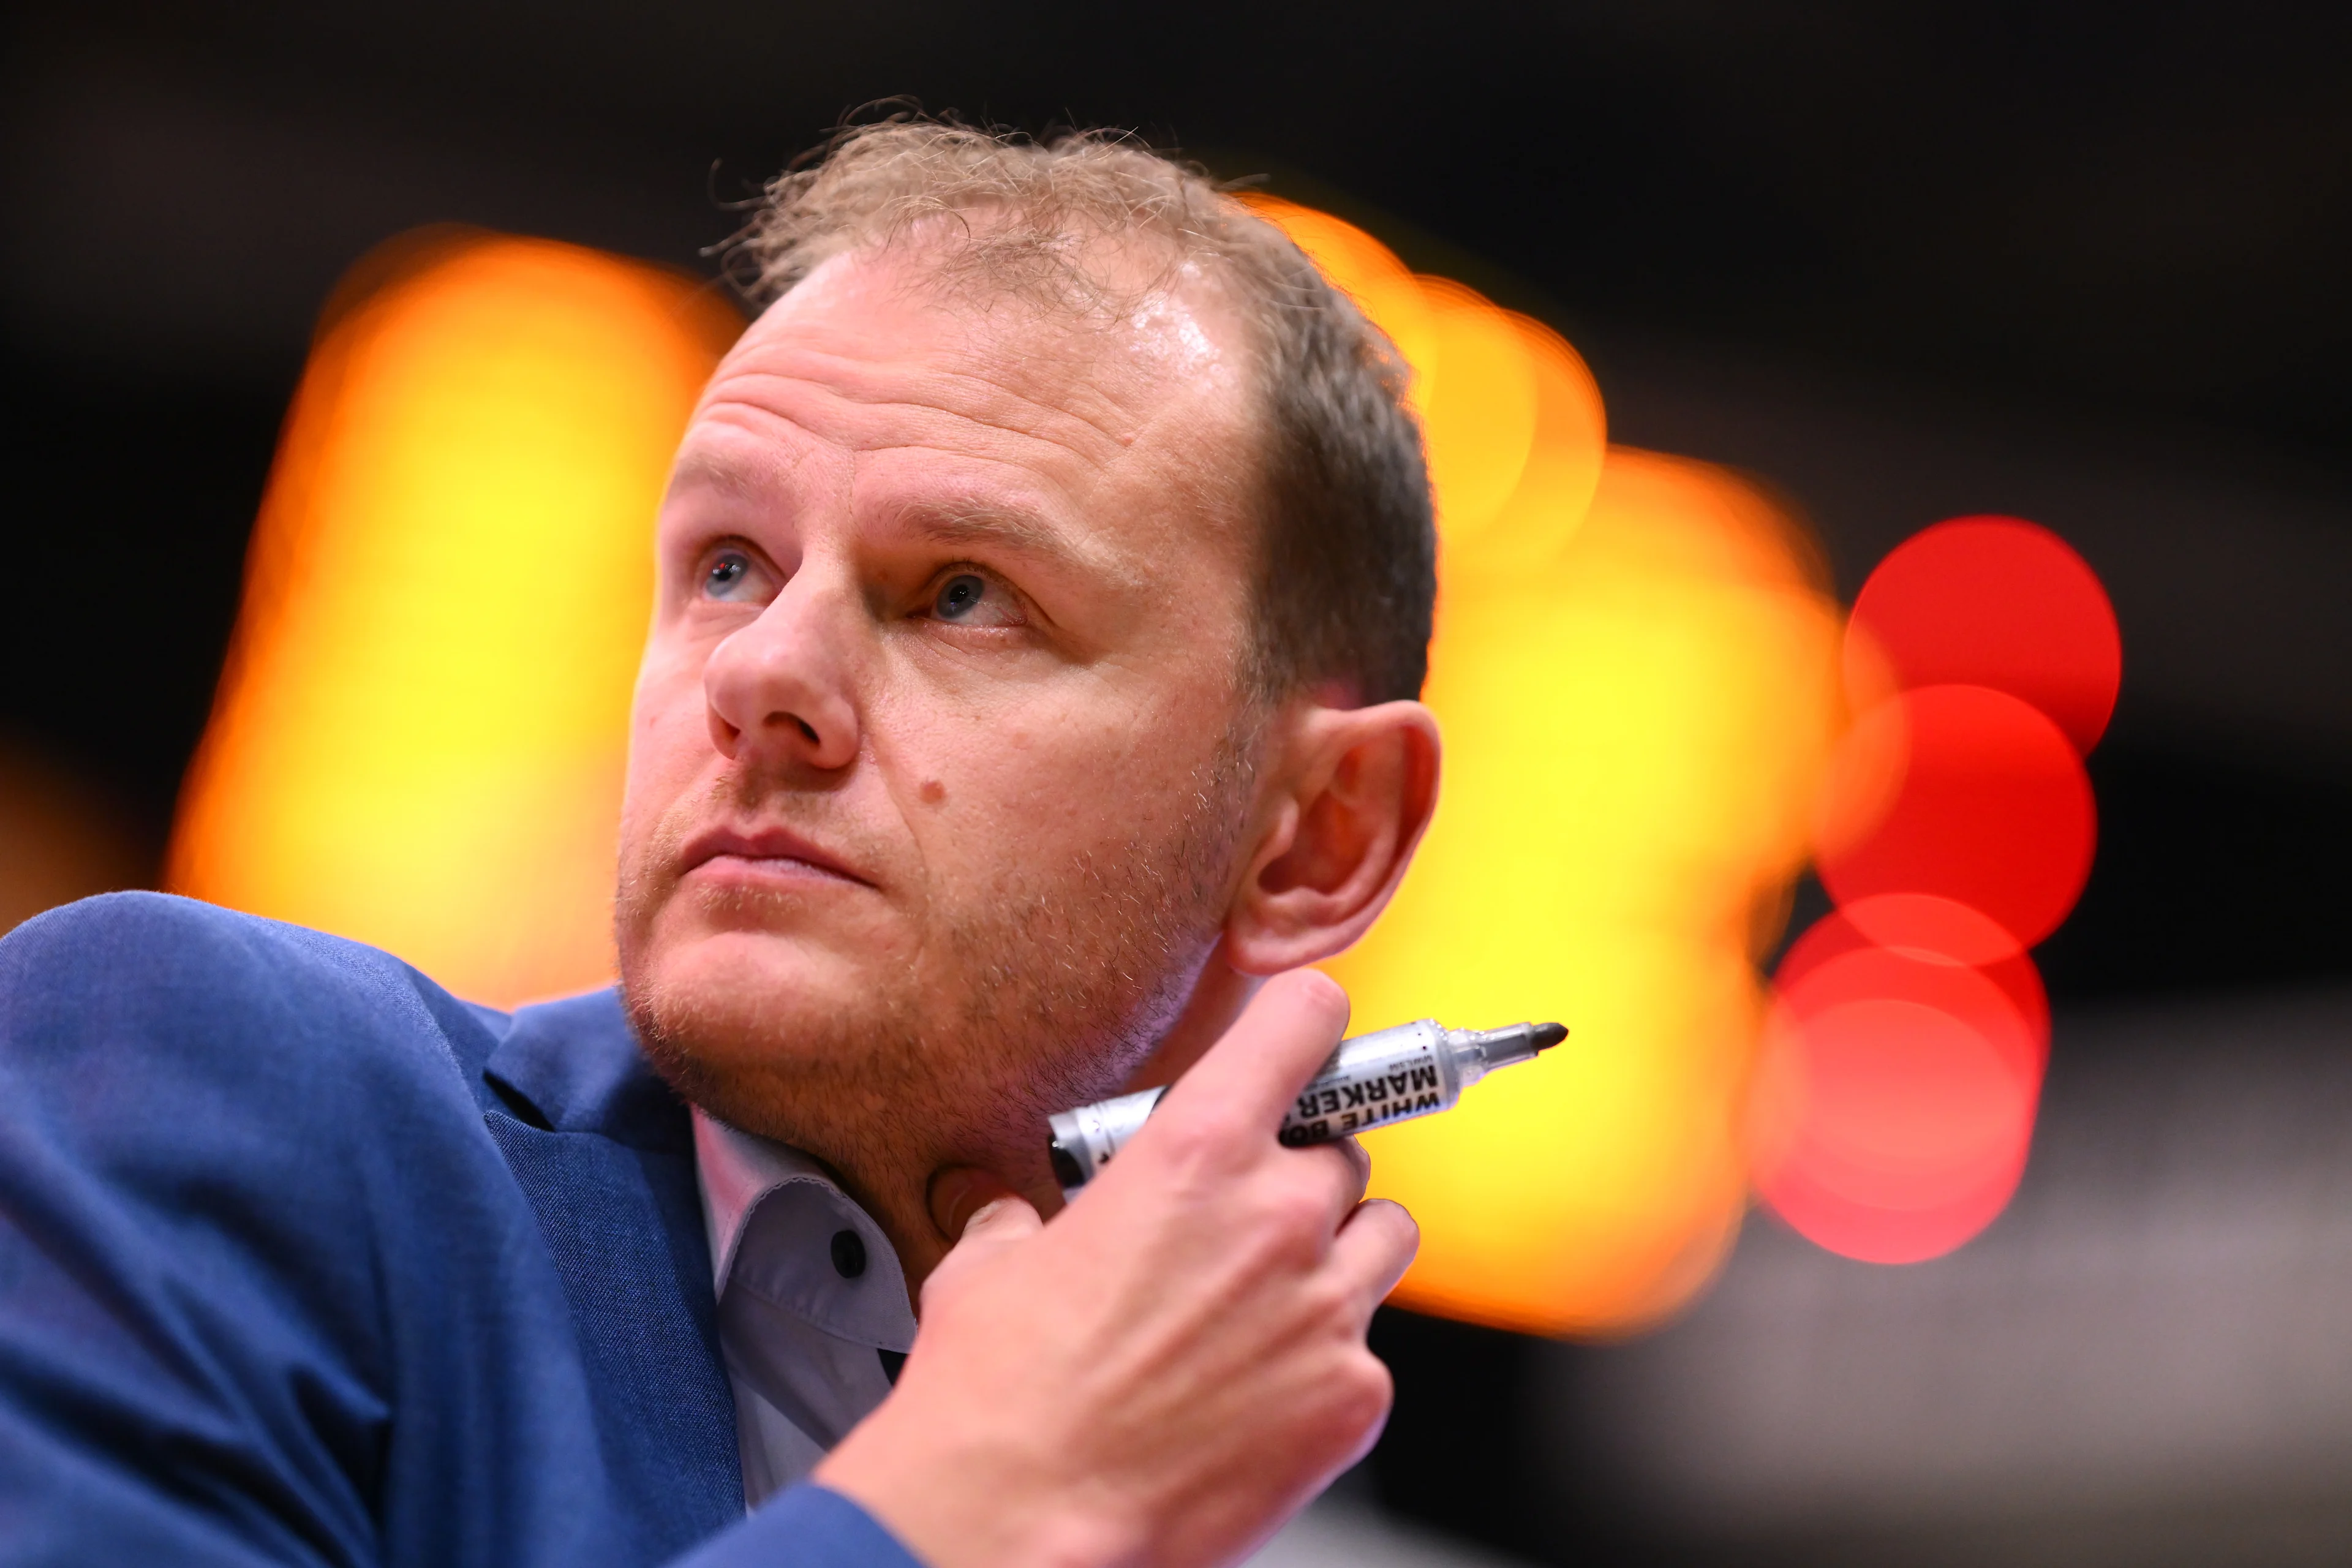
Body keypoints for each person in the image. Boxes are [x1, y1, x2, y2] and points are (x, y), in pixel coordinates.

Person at [0, 119, 1441, 1567]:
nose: (758, 673)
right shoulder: (211, 1076)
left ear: (1318, 837)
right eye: (731, 563)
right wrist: (976, 1503)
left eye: (961, 594)